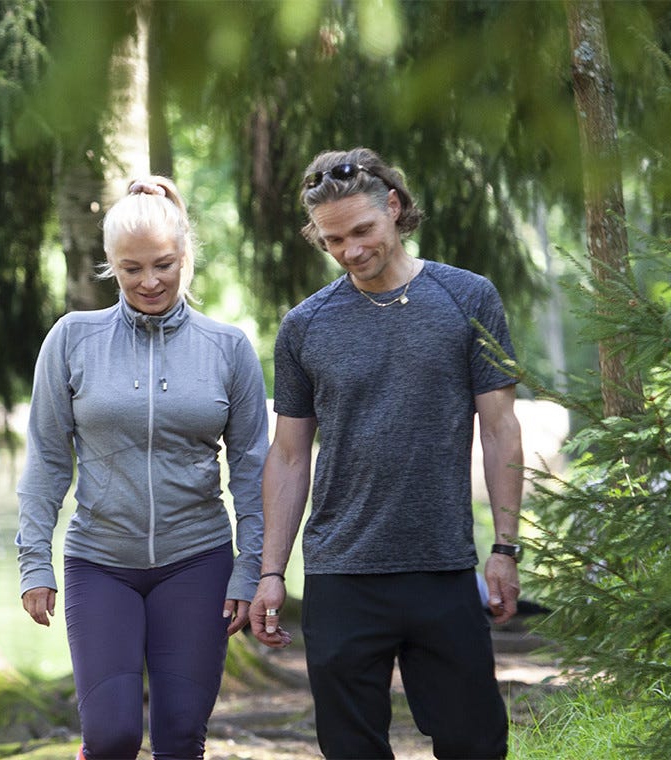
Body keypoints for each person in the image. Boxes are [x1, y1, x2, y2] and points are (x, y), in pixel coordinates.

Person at [250, 148, 524, 759]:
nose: (350, 250)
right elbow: (290, 455)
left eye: (362, 230)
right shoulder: (304, 326)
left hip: (443, 566)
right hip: (340, 574)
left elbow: (501, 427)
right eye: (333, 240)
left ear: (394, 208)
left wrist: (505, 548)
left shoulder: (467, 298)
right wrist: (271, 572)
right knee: (351, 750)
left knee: (475, 743)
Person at [16, 176, 269, 760]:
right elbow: (48, 459)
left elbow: (254, 473)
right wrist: (35, 562)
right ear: (110, 264)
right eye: (131, 269)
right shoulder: (72, 340)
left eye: (164, 264)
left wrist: (249, 570)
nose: (150, 282)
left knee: (181, 737)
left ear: (186, 255)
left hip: (198, 561)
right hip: (100, 562)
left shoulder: (227, 349)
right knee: (112, 736)